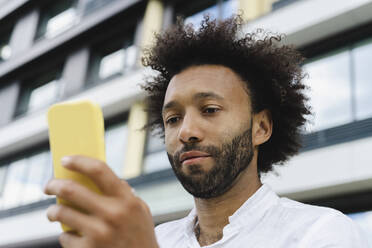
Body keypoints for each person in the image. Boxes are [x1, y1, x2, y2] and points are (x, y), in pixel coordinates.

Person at [44, 16, 368, 248]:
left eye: (210, 110)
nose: (186, 131)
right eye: (172, 118)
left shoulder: (321, 233)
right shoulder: (156, 239)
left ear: (262, 127)